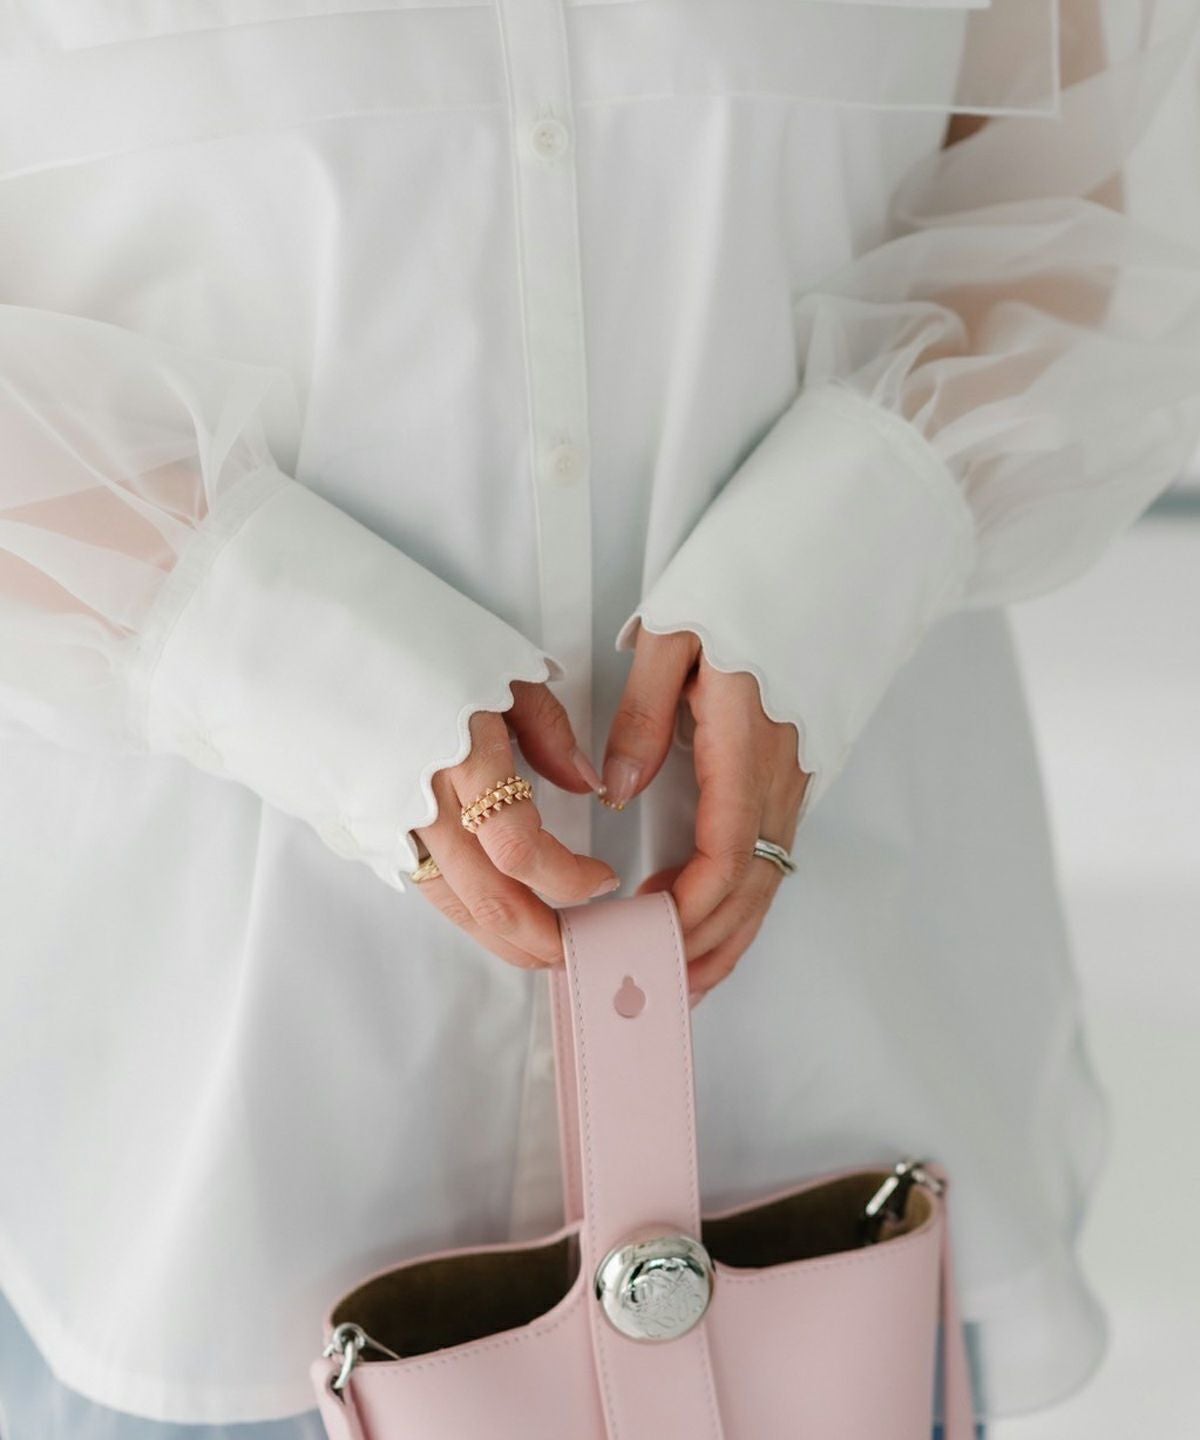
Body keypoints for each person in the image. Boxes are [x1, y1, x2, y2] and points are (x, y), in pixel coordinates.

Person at [1, 1, 1198, 1437]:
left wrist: (834, 559)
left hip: (824, 1101)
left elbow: (1052, 202)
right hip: (210, 1103)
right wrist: (287, 649)